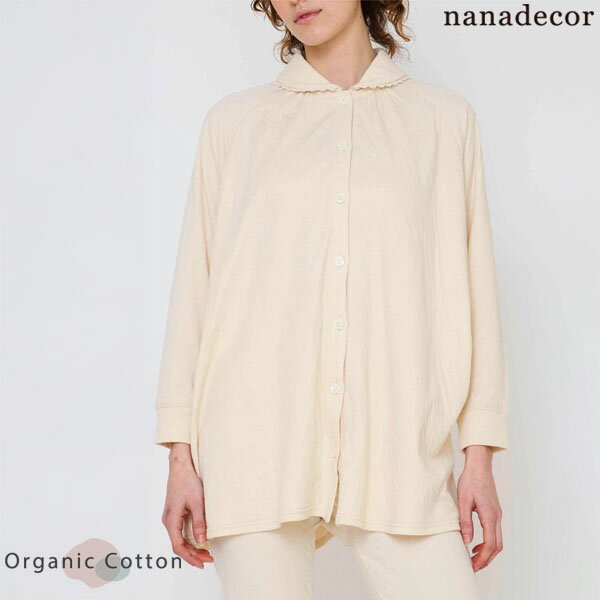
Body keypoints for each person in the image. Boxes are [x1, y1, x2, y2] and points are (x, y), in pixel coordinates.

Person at [154, 1, 509, 598]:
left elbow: (474, 291)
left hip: (399, 448)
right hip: (254, 444)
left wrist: (480, 456)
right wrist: (180, 458)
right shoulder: (235, 123)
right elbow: (194, 289)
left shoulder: (442, 120)